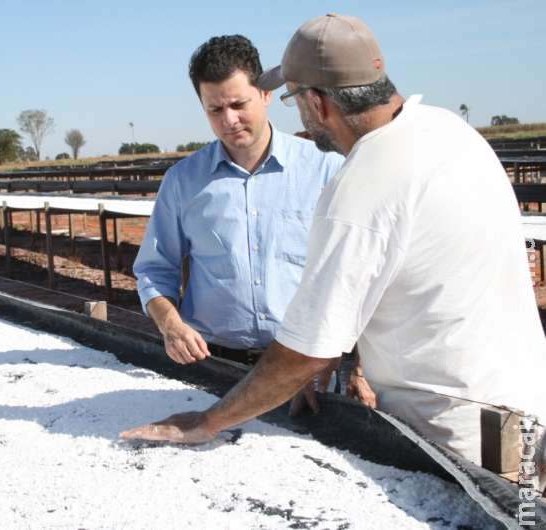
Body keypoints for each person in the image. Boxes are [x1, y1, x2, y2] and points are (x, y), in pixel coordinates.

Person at [122, 14, 546, 488]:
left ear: (317, 103)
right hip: (521, 402)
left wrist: (208, 422)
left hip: (460, 429)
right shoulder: (449, 131)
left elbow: (309, 348)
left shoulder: (362, 182)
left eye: (290, 99)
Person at [133, 35, 344, 366]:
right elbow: (154, 270)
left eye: (238, 105)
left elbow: (356, 269)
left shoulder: (325, 168)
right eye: (215, 109)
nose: (228, 120)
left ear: (265, 93)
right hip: (215, 363)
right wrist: (170, 325)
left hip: (303, 365)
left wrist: (353, 364)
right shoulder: (182, 181)